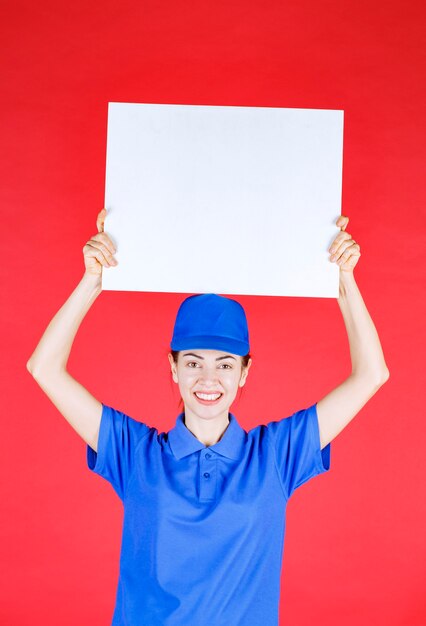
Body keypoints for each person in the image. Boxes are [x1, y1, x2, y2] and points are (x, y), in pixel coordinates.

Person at [26, 208, 390, 626]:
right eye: (194, 363)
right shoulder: (134, 453)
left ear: (244, 372)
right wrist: (93, 279)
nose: (209, 379)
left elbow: (371, 375)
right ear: (174, 367)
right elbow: (44, 368)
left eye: (225, 364)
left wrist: (344, 277)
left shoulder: (275, 455)